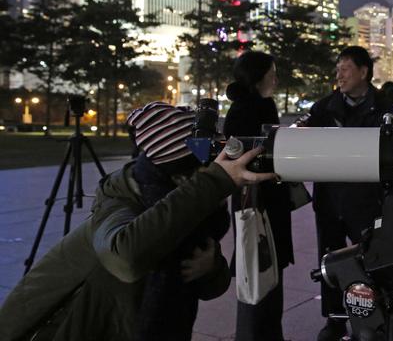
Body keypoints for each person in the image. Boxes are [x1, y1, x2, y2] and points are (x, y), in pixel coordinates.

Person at [0, 102, 277, 341]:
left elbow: (211, 289)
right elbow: (126, 260)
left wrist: (211, 267)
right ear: (179, 172)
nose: (212, 168)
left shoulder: (189, 206)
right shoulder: (121, 200)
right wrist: (215, 181)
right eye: (204, 165)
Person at [305, 45, 393, 341]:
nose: (339, 75)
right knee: (328, 262)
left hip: (367, 201)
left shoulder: (386, 109)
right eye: (338, 69)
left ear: (363, 71)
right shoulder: (324, 108)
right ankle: (335, 319)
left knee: (371, 262)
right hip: (330, 200)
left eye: (345, 68)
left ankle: (374, 317)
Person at [222, 51, 293, 341]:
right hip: (257, 204)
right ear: (258, 76)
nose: (276, 78)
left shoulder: (248, 107)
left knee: (262, 273)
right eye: (272, 72)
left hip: (257, 203)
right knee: (260, 272)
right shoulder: (253, 109)